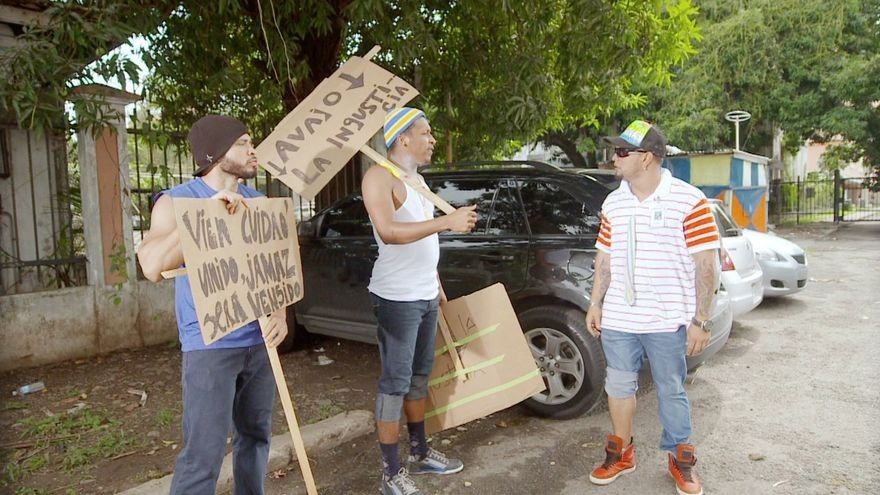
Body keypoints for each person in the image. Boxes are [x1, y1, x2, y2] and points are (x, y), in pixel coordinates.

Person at [137, 115, 287, 495]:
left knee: (255, 439)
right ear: (215, 154)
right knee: (203, 455)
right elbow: (152, 265)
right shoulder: (176, 202)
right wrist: (206, 218)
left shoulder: (260, 202)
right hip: (210, 345)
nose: (253, 150)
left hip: (259, 344)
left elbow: (278, 266)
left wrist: (280, 314)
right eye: (243, 143)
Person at [585, 120, 720, 495]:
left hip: (666, 320)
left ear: (646, 158)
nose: (614, 158)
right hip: (619, 318)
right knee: (619, 385)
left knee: (670, 389)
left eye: (622, 152)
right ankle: (622, 452)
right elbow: (605, 257)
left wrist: (700, 320)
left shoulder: (688, 200)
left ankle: (680, 458)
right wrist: (595, 302)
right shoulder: (614, 201)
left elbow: (705, 266)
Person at [361, 107, 477, 495]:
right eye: (425, 133)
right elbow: (390, 231)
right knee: (394, 383)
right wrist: (448, 221)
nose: (431, 139)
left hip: (425, 293)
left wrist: (437, 282)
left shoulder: (418, 180)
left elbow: (425, 240)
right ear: (402, 139)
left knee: (419, 379)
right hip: (396, 298)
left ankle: (420, 453)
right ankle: (391, 474)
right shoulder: (379, 177)